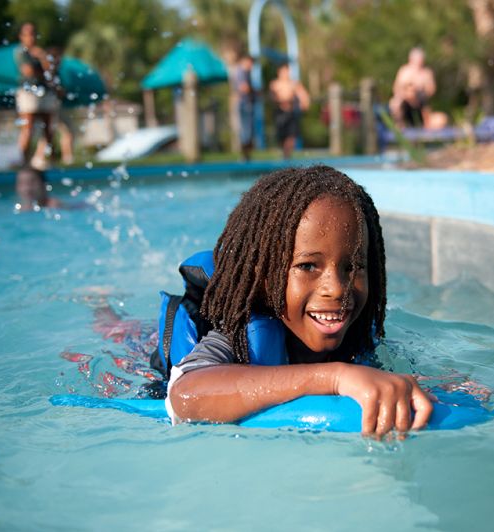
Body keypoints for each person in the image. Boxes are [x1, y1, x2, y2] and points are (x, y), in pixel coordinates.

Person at [166, 165, 433, 437]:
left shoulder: (362, 338)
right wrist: (334, 377)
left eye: (353, 267)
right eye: (307, 266)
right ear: (264, 276)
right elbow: (185, 395)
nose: (337, 289)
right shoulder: (237, 336)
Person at [14, 22, 58, 166]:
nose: (31, 37)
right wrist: (42, 64)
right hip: (28, 92)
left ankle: (48, 161)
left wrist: (42, 57)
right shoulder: (21, 52)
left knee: (48, 128)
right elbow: (29, 71)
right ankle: (23, 161)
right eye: (28, 34)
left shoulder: (39, 52)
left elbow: (51, 71)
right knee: (28, 127)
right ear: (22, 37)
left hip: (43, 91)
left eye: (33, 33)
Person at [269, 62, 310, 159]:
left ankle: (287, 156)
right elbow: (272, 97)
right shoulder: (275, 84)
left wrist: (304, 103)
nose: (286, 73)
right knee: (282, 136)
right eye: (284, 71)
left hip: (291, 112)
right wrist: (281, 101)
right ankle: (284, 154)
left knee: (291, 136)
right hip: (280, 113)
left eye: (287, 71)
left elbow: (303, 95)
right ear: (279, 72)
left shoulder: (294, 83)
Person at [390, 47, 437, 128]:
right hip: (405, 99)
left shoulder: (426, 73)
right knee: (395, 103)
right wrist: (408, 94)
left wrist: (418, 93)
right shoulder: (404, 71)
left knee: (426, 108)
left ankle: (427, 128)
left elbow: (431, 90)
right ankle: (399, 125)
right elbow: (396, 88)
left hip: (421, 100)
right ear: (411, 59)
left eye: (420, 59)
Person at [232, 55, 256, 161]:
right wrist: (255, 91)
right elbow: (244, 88)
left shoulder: (245, 73)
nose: (251, 66)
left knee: (248, 130)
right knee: (246, 130)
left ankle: (246, 155)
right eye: (250, 63)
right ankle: (244, 155)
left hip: (246, 104)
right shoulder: (241, 72)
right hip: (245, 104)